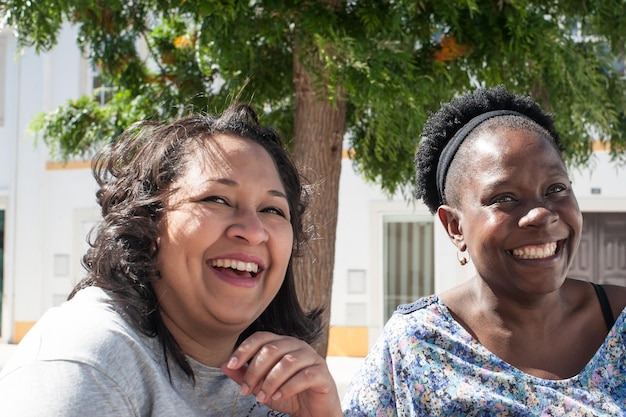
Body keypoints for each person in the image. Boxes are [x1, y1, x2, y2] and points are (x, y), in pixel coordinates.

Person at [0, 104, 342, 416]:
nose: (253, 231)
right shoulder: (88, 363)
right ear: (147, 222)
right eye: (217, 199)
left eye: (272, 209)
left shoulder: (286, 385)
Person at [342, 85, 626, 415]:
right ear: (455, 227)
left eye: (556, 189)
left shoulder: (619, 322)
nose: (541, 214)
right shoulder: (415, 347)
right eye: (504, 198)